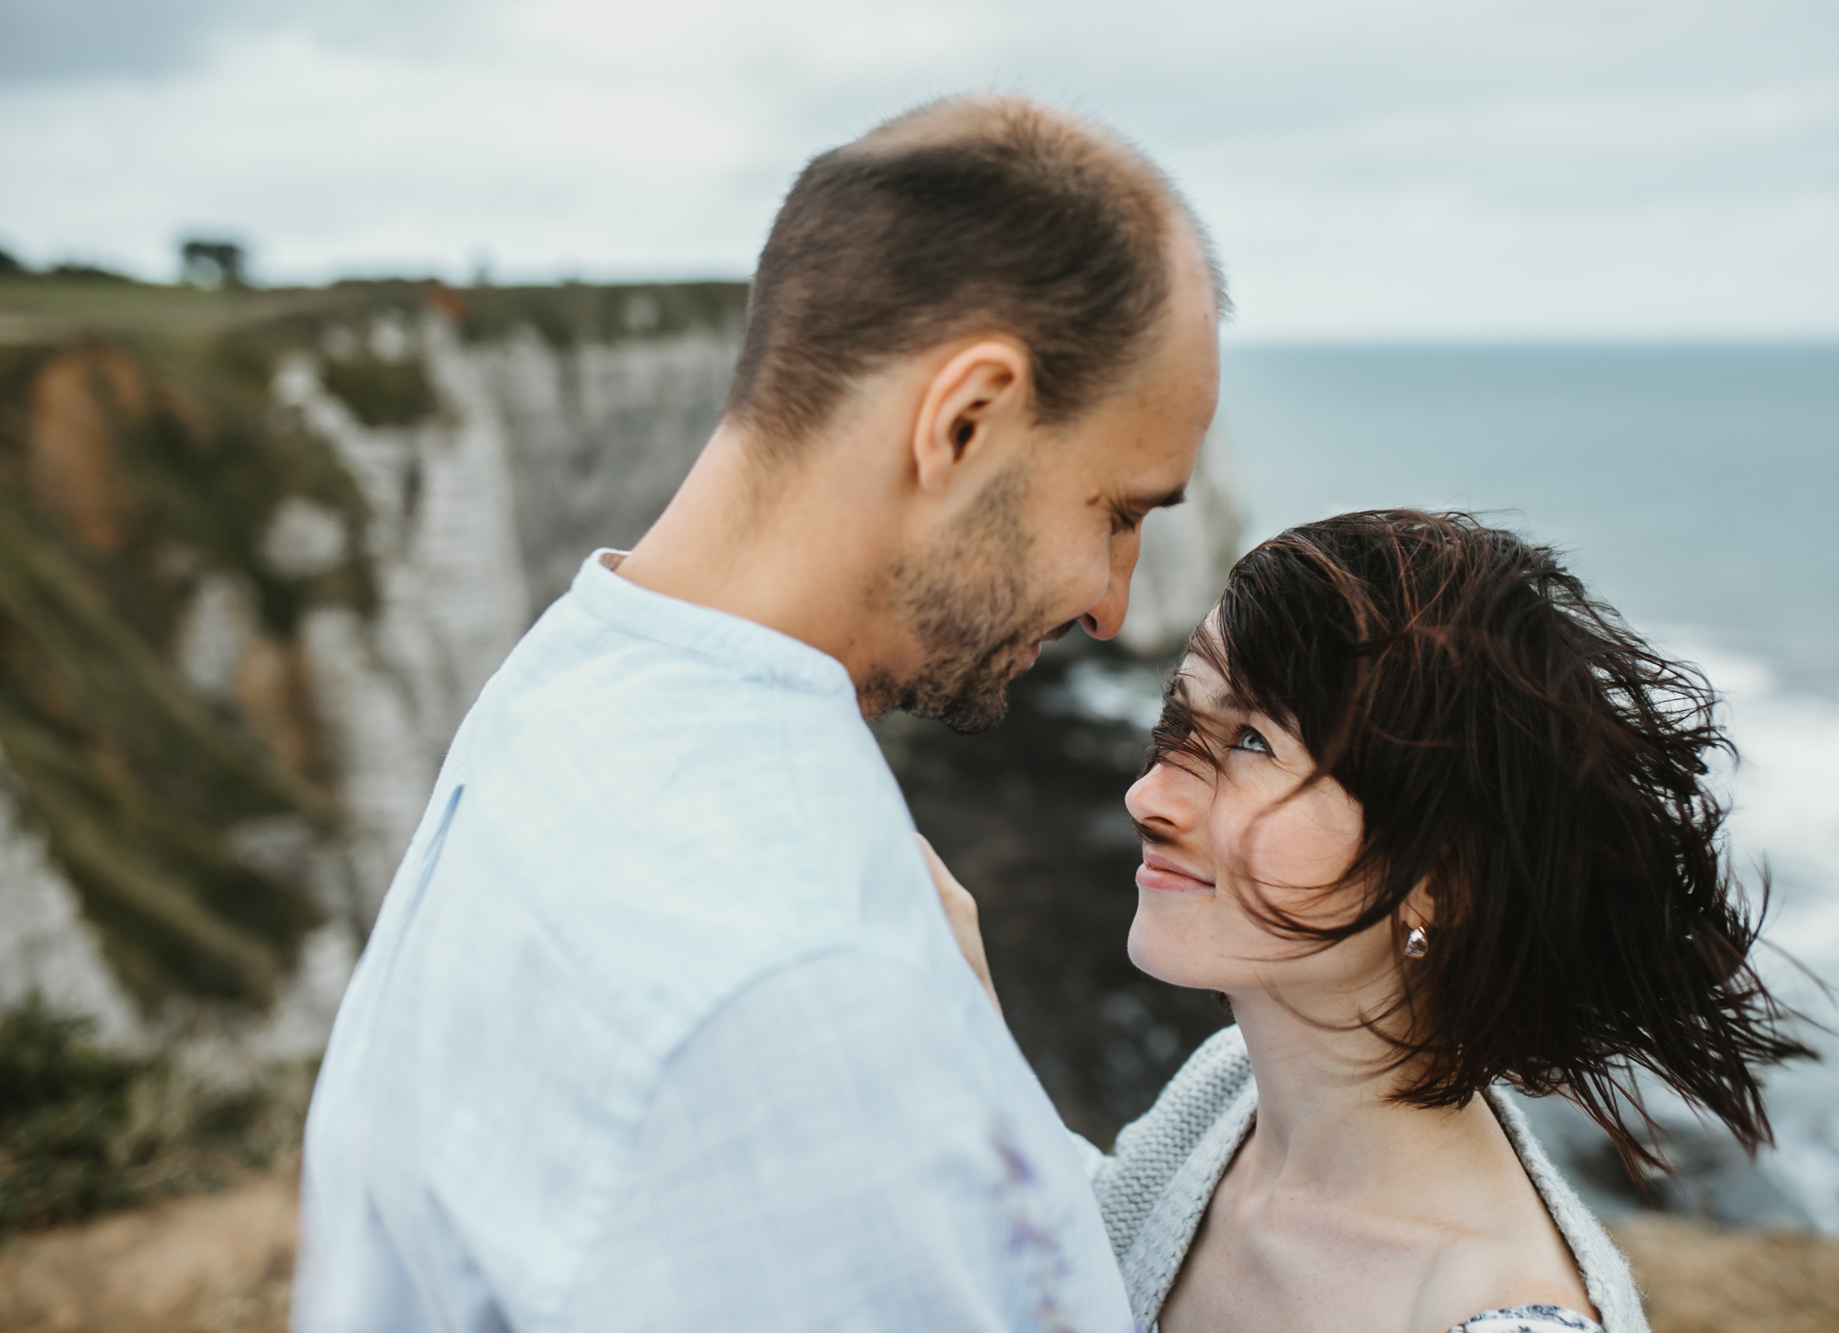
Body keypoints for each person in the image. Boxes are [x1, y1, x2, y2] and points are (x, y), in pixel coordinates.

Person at [292, 94, 1224, 1332]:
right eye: (1115, 512)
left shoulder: (566, 687)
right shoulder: (797, 993)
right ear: (964, 422)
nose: (1112, 606)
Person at [934, 510, 1810, 1333]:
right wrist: (963, 1040)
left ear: (1442, 880)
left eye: (1251, 743)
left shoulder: (1497, 1313)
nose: (1147, 796)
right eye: (1179, 724)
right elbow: (1085, 1259)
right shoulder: (1232, 1094)